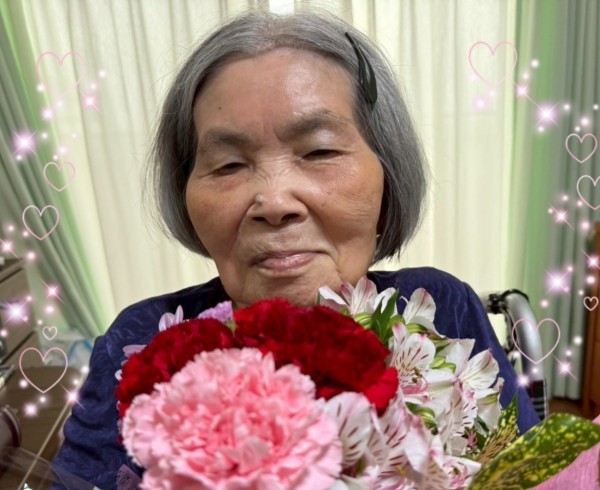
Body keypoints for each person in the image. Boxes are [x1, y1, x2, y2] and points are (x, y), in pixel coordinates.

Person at [51, 9, 539, 489]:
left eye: (320, 151)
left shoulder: (439, 309)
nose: (275, 202)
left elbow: (531, 474)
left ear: (387, 173)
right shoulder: (143, 344)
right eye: (228, 164)